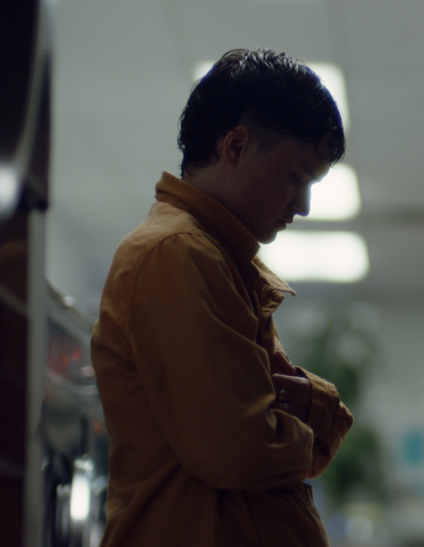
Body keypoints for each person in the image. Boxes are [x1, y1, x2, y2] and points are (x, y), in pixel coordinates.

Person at [91, 48, 353, 547]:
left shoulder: (220, 261)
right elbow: (239, 449)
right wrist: (315, 416)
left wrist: (307, 408)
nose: (303, 205)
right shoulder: (179, 253)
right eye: (296, 178)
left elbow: (259, 430)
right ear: (235, 146)